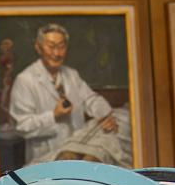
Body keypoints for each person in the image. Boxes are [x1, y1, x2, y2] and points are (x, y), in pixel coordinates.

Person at [8, 23, 119, 166]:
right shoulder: (25, 80)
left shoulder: (71, 75)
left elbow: (91, 99)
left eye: (61, 47)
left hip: (77, 153)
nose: (57, 53)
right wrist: (53, 116)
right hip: (46, 160)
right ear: (38, 47)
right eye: (51, 46)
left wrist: (105, 115)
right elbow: (21, 126)